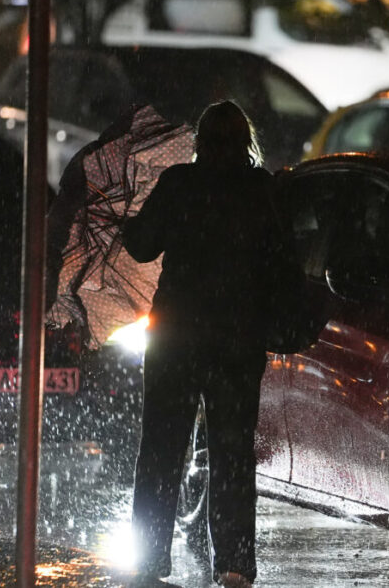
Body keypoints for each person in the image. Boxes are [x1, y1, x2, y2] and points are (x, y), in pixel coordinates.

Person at [122, 100, 285, 588]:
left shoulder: (178, 183)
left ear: (199, 144)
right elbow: (281, 261)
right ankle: (234, 564)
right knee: (233, 454)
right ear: (245, 142)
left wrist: (132, 216)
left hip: (176, 338)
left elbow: (141, 245)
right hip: (236, 341)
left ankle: (150, 559)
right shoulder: (262, 190)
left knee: (161, 449)